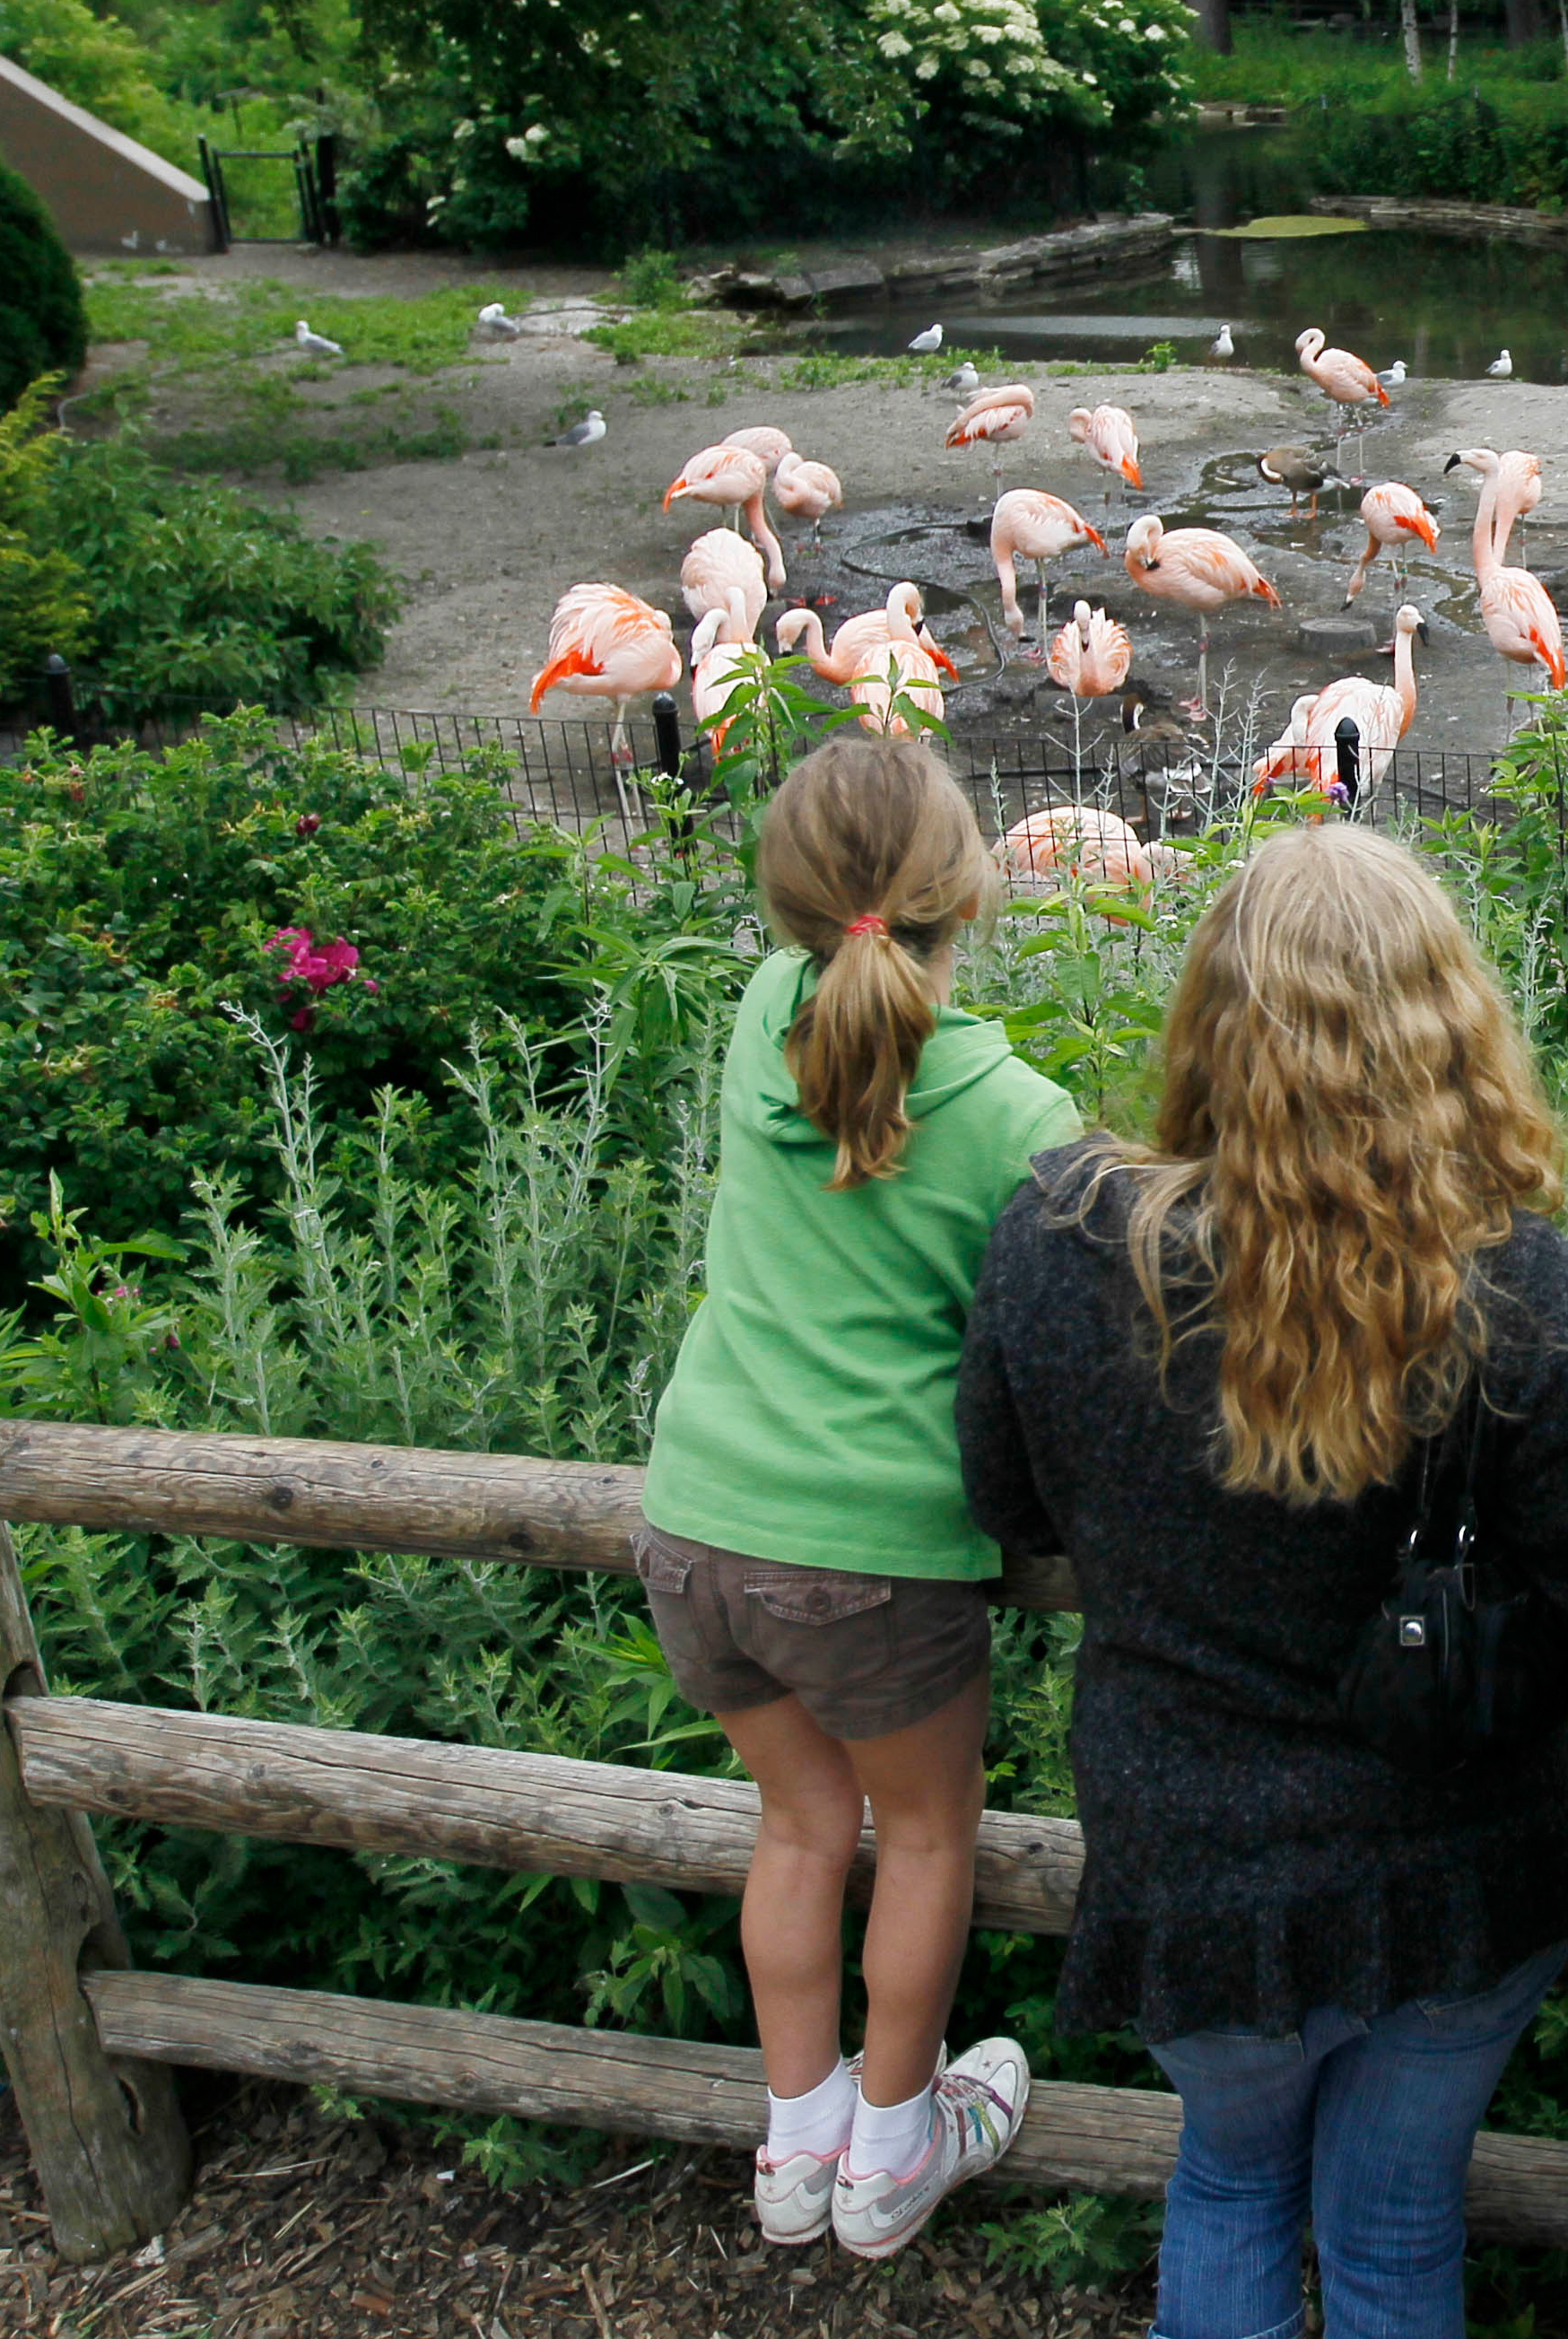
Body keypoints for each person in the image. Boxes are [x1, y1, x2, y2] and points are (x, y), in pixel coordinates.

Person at [956, 821, 1568, 2339]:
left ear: (1207, 1012)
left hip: (1191, 1859)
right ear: (1446, 1021)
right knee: (1394, 2229)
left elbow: (1003, 1500)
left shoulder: (1064, 1239)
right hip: (1456, 1865)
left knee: (1230, 2184)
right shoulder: (1506, 1282)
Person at [635, 732, 1077, 2258]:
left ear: (791, 907)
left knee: (801, 1825)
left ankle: (793, 2140)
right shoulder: (1023, 1116)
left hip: (694, 1530)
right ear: (972, 896)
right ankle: (896, 2149)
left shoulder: (765, 1013)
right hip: (871, 1558)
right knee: (929, 1835)